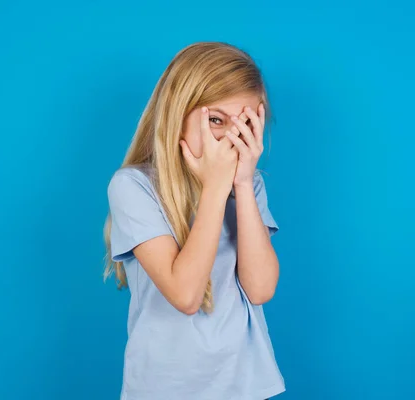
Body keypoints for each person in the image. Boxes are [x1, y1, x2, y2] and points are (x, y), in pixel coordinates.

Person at [104, 41, 285, 400]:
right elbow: (186, 295)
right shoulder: (133, 187)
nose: (230, 139)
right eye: (216, 120)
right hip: (165, 388)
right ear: (176, 114)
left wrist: (243, 185)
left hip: (244, 384)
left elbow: (261, 289)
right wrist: (216, 188)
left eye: (246, 123)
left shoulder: (249, 185)